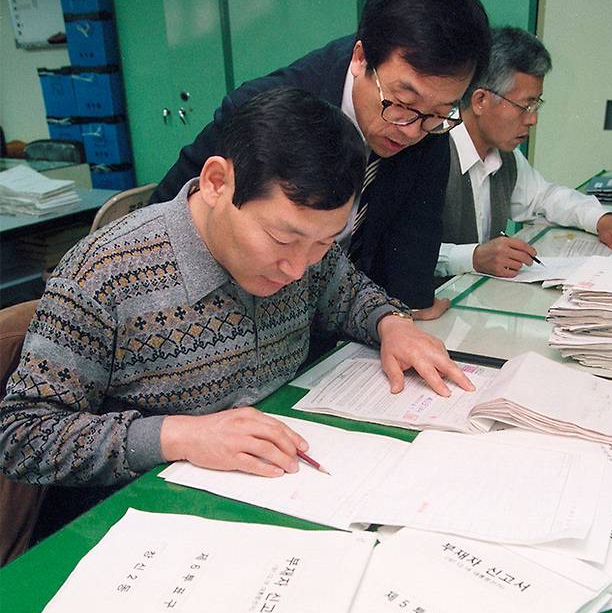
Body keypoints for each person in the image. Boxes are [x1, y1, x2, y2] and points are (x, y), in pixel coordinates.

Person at [0, 89, 473, 488]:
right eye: (281, 239)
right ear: (216, 182)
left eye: (324, 242)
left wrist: (392, 323)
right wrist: (178, 437)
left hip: (284, 473)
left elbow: (345, 292)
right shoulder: (102, 273)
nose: (296, 268)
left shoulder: (307, 252)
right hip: (148, 507)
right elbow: (22, 436)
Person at [150, 0, 491, 319]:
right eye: (401, 103)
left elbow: (413, 242)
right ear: (361, 59)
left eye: (438, 112)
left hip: (346, 321)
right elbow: (168, 215)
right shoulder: (266, 115)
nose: (411, 130)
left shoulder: (428, 124)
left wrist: (399, 318)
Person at [435, 27, 612, 279]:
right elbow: (399, 251)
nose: (532, 120)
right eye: (524, 106)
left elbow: (546, 197)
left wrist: (603, 220)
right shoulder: (433, 152)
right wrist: (472, 258)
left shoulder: (505, 156)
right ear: (480, 100)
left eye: (536, 105)